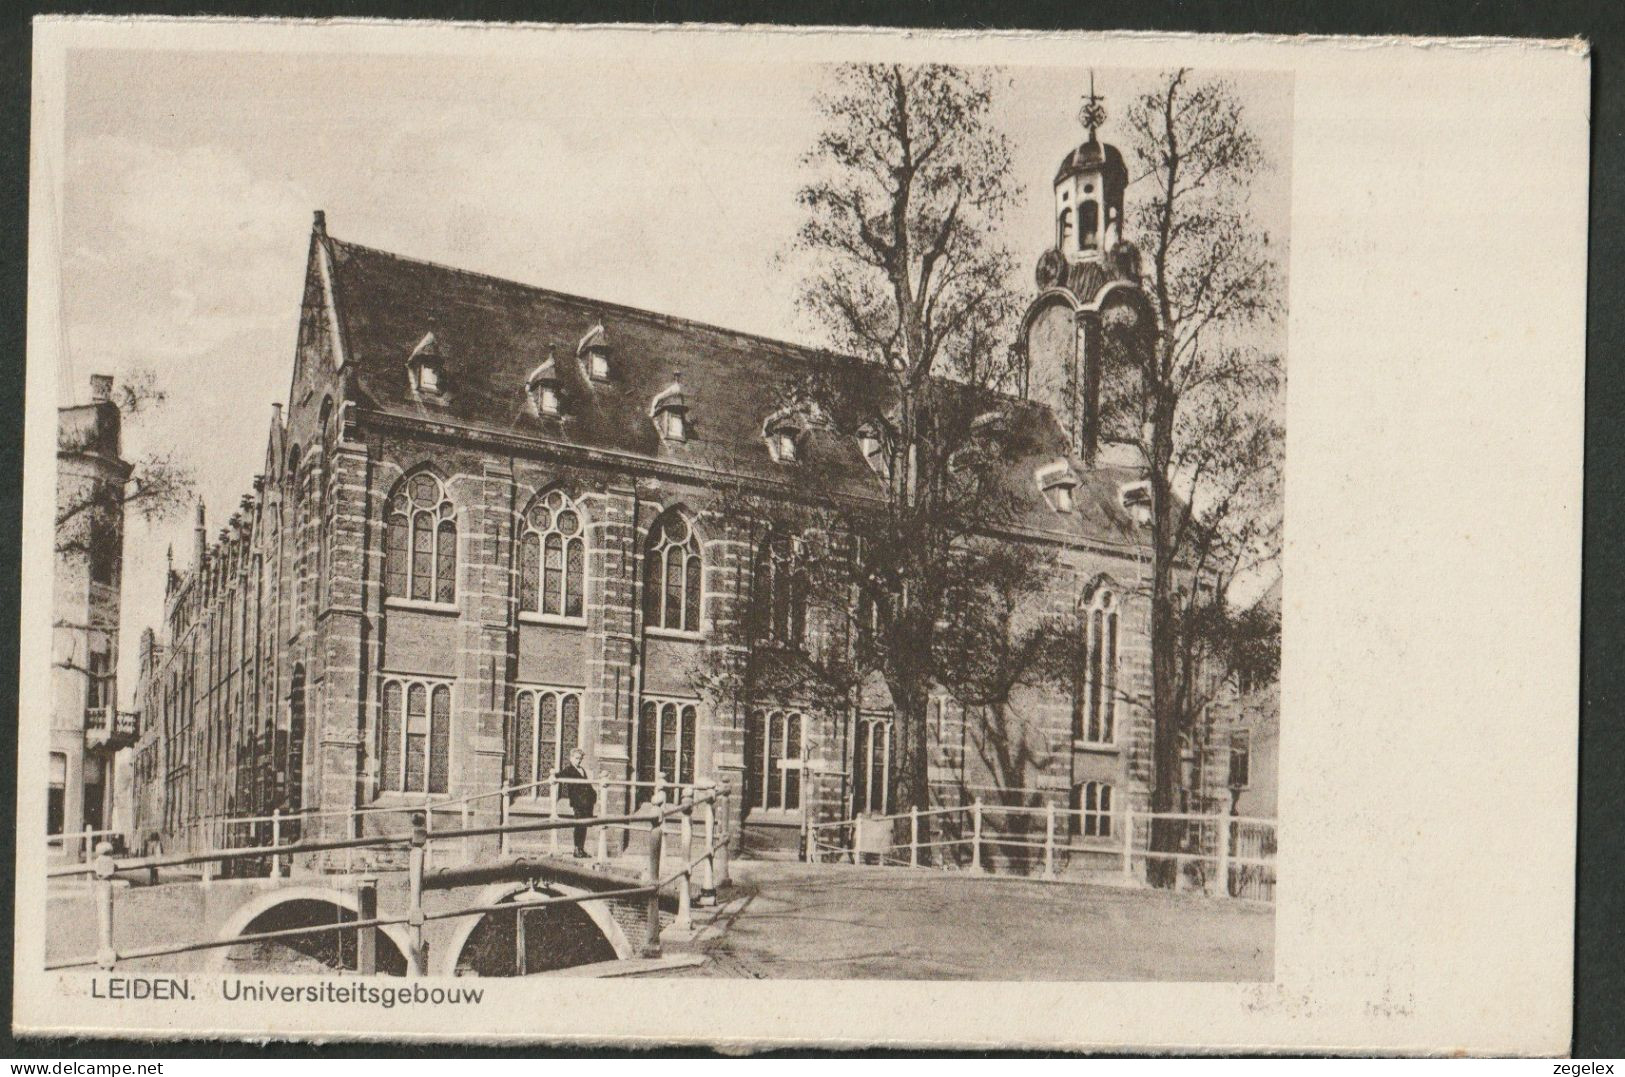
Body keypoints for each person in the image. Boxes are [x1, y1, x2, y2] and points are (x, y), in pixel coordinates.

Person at [556, 748, 596, 857]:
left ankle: (581, 849)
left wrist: (593, 794)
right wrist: (553, 777)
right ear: (571, 758)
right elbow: (559, 776)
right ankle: (576, 849)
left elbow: (587, 784)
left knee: (584, 826)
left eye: (580, 758)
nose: (579, 761)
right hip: (578, 802)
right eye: (577, 758)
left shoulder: (582, 770)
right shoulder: (569, 770)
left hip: (587, 803)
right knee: (578, 825)